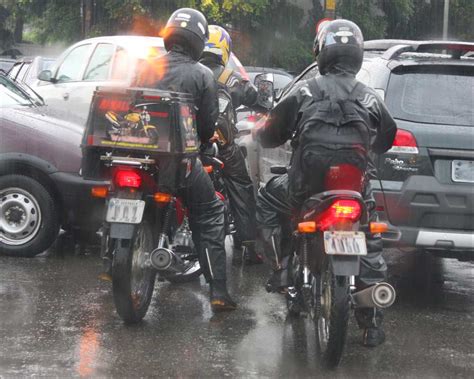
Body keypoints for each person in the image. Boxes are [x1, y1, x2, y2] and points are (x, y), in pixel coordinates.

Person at [254, 19, 397, 347]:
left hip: (306, 187)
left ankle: (279, 269)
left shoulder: (304, 90)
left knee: (266, 198)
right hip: (355, 188)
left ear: (322, 53)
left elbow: (270, 134)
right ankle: (372, 322)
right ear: (357, 55)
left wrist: (263, 134)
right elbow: (386, 137)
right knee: (369, 237)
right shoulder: (369, 95)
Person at [135, 8, 236, 312]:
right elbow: (206, 127)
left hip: (138, 156)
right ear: (197, 42)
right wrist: (204, 144)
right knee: (209, 212)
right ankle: (218, 291)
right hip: (178, 162)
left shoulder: (146, 68)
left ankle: (111, 258)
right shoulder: (202, 75)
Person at [199, 24, 263, 265]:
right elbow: (257, 99)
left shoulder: (187, 70)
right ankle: (248, 244)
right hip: (221, 146)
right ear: (224, 49)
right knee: (242, 188)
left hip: (185, 145)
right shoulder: (230, 77)